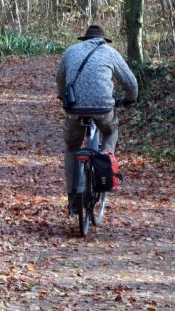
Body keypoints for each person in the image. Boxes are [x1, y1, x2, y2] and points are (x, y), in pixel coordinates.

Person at [55, 24, 138, 213]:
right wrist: (129, 99)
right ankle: (105, 164)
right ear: (103, 39)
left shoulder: (71, 51)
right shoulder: (110, 52)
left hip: (74, 109)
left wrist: (62, 96)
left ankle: (73, 197)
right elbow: (131, 83)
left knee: (72, 147)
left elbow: (59, 79)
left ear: (84, 39)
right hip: (103, 109)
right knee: (111, 131)